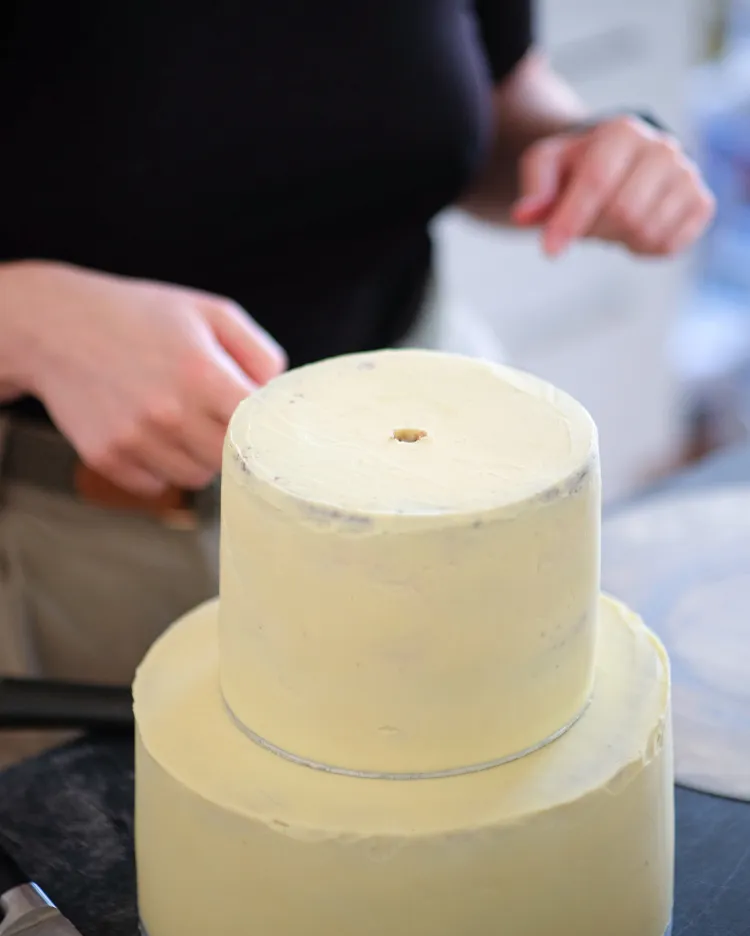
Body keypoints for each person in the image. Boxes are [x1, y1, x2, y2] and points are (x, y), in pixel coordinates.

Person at [0, 2, 713, 758]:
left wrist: (581, 152)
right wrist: (30, 322)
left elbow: (498, 96)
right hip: (75, 542)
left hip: (436, 474)